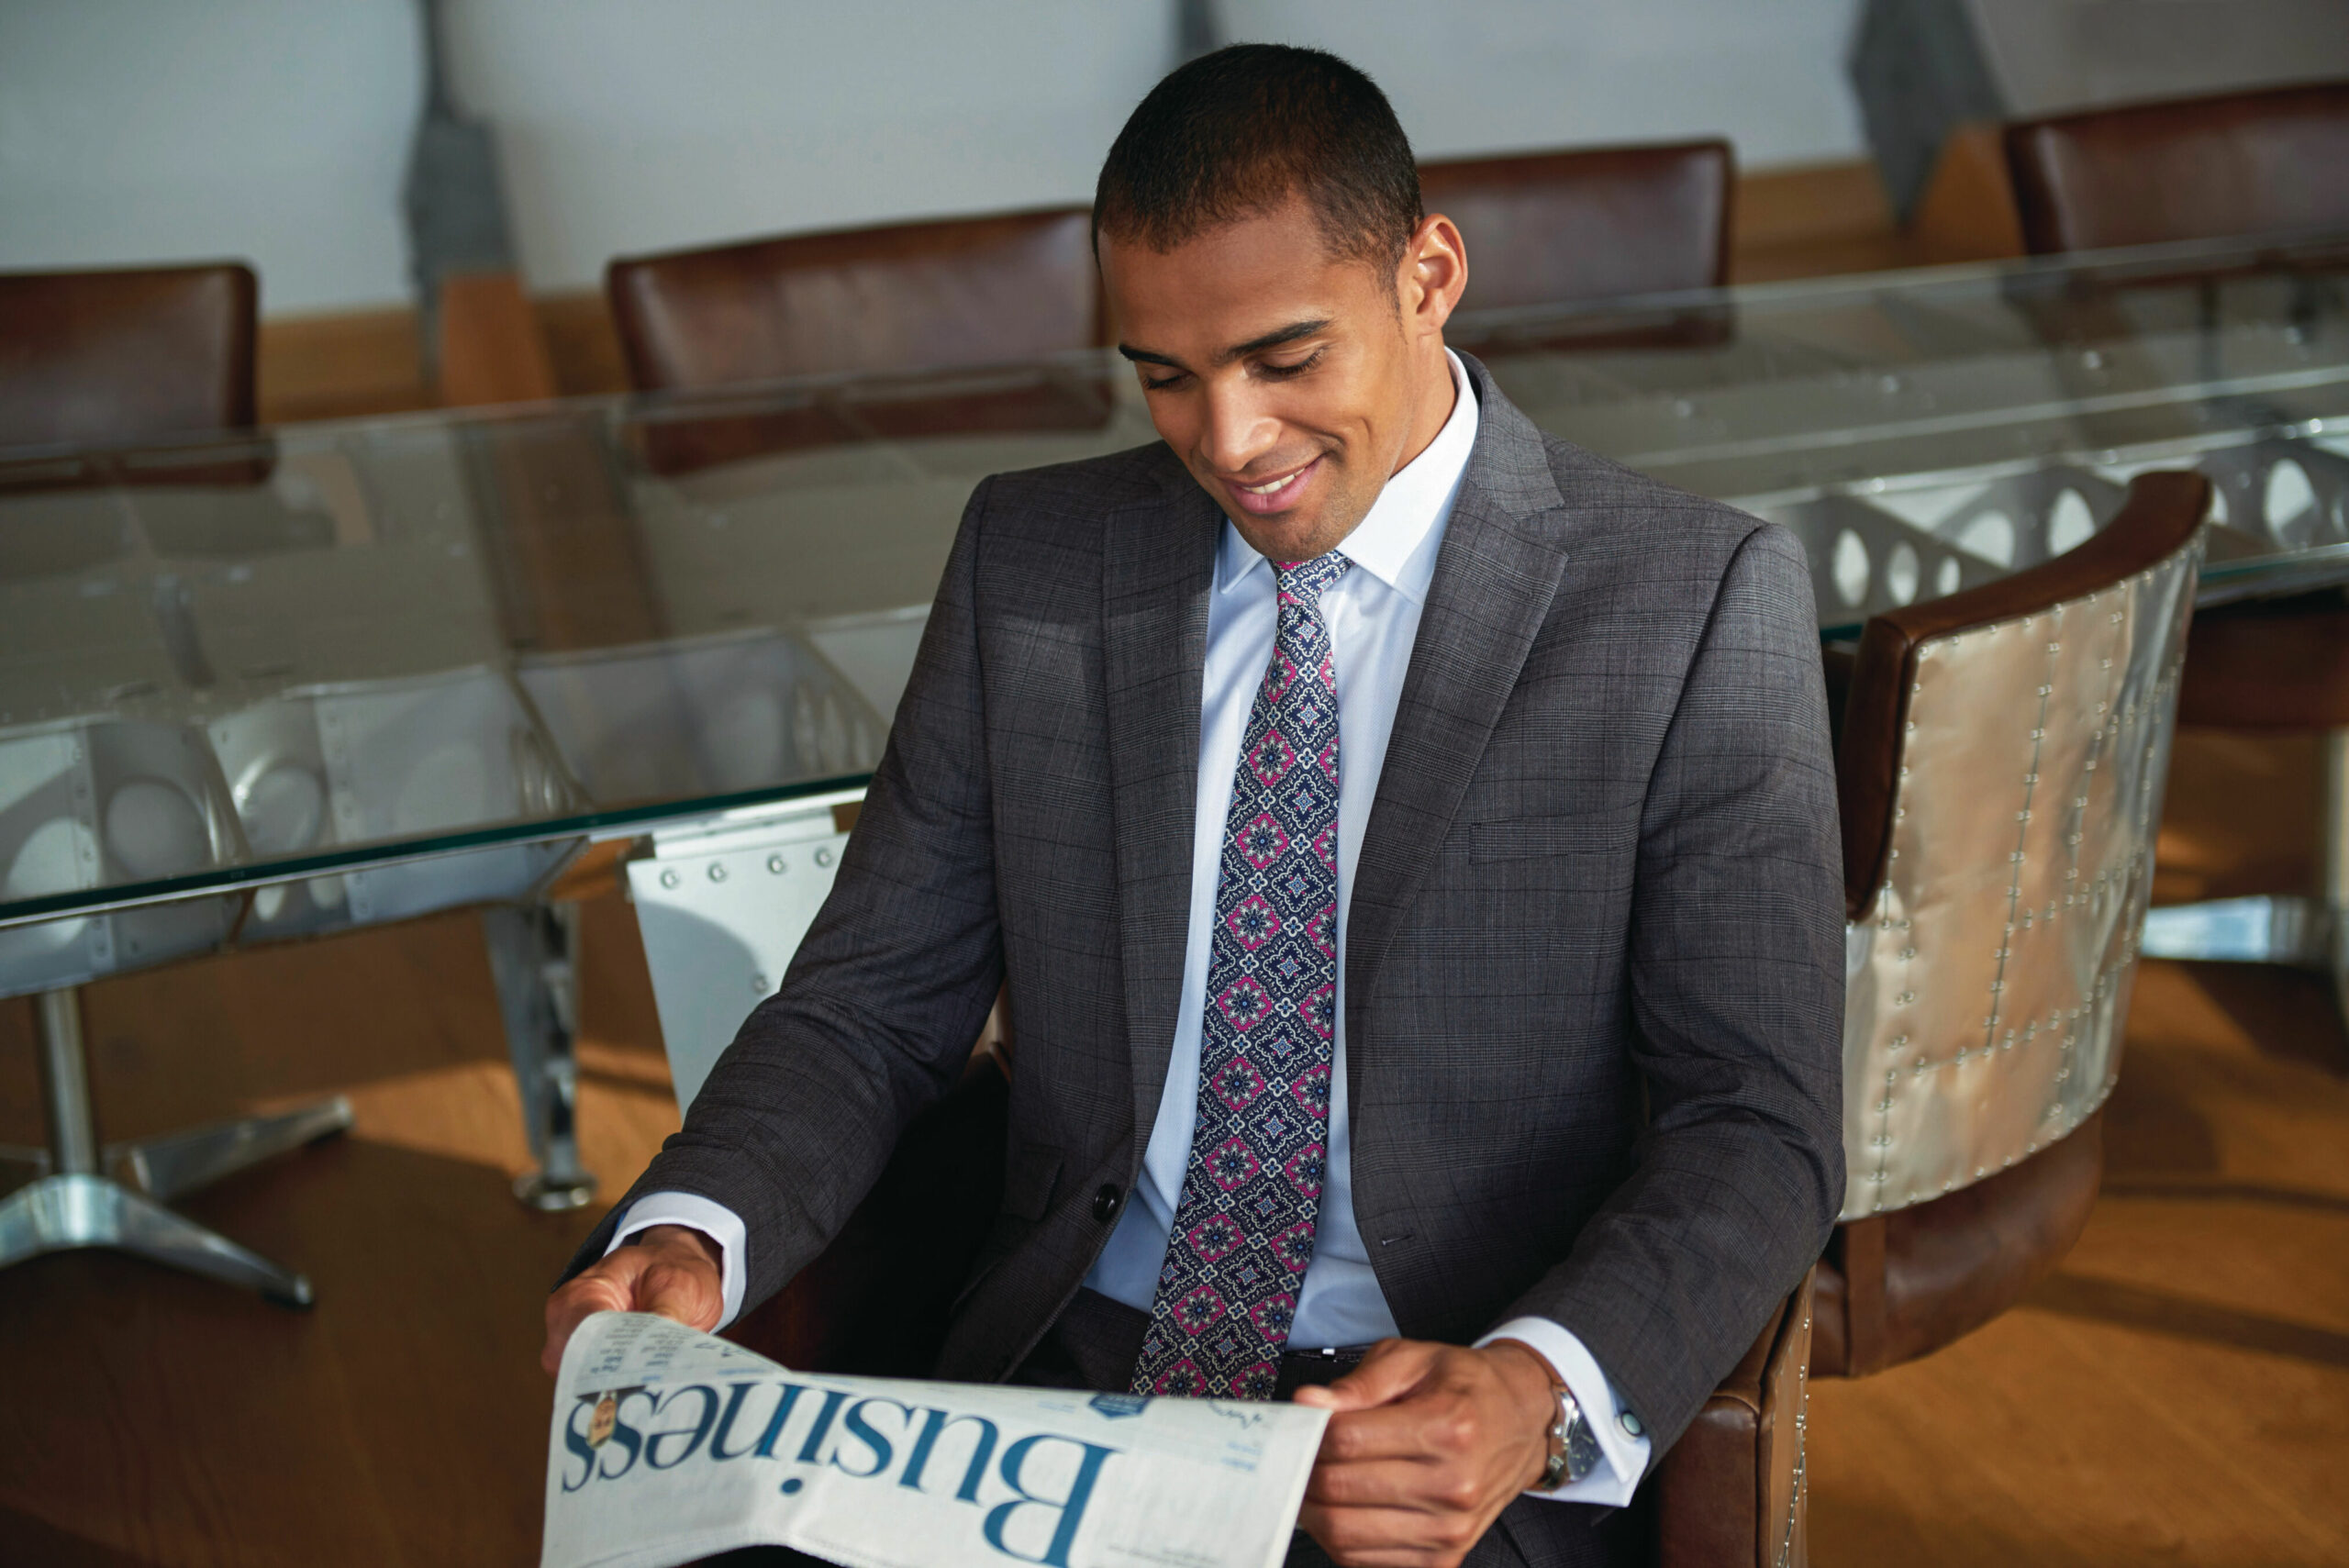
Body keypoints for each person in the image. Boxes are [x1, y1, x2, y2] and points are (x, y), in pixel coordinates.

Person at [543, 43, 1842, 1568]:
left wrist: (1531, 1388)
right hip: (1065, 1375)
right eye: (1165, 374)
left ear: (1429, 276)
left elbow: (1756, 1122)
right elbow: (869, 1004)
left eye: (1285, 358)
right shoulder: (1033, 563)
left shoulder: (1691, 603)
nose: (1227, 440)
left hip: (1427, 1413)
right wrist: (692, 1229)